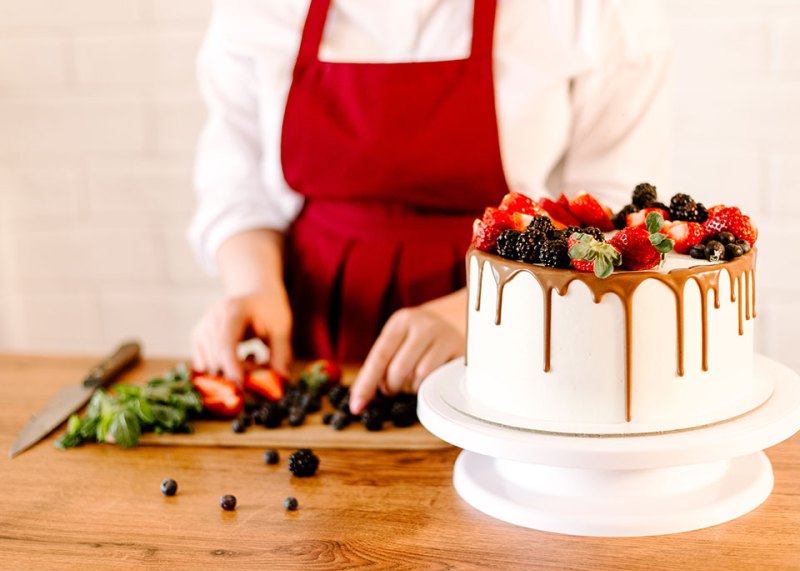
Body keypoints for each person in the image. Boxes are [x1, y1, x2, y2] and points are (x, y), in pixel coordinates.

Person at [188, 0, 672, 414]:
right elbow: (239, 184)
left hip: (519, 338)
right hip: (315, 337)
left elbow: (613, 221)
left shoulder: (597, 13)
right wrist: (253, 286)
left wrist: (475, 315)